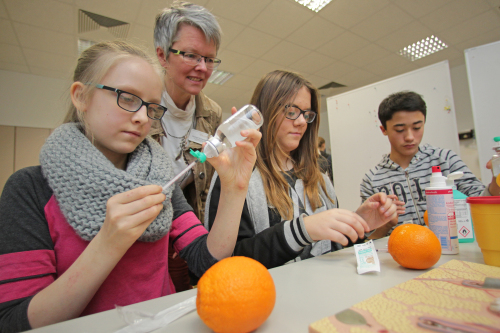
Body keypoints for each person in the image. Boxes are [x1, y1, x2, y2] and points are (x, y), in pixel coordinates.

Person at [0, 41, 260, 332]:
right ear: (81, 96)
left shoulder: (160, 178)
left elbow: (207, 260)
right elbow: (14, 321)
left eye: (151, 107)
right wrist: (108, 244)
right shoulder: (29, 189)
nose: (141, 117)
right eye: (126, 98)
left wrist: (234, 187)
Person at [205, 70, 397, 269]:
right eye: (291, 111)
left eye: (306, 114)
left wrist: (359, 224)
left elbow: (332, 251)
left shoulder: (320, 176)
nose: (302, 122)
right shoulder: (236, 175)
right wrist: (301, 231)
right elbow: (226, 263)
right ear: (264, 112)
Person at [360, 91, 496, 239]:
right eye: (400, 130)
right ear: (384, 130)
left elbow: (484, 201)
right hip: (402, 255)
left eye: (417, 127)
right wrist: (386, 224)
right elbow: (368, 239)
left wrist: (497, 180)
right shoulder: (372, 179)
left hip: (454, 247)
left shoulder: (445, 160)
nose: (410, 137)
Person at [151, 1, 222, 223]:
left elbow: (205, 189)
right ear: (163, 56)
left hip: (184, 227)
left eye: (209, 59)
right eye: (191, 55)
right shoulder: (140, 105)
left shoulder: (211, 114)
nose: (202, 67)